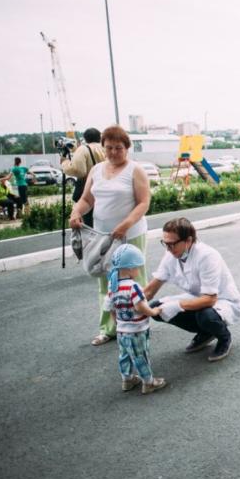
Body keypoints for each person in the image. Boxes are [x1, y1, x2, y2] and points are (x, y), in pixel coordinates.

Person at [69, 125, 150, 346]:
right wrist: (76, 212)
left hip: (130, 234)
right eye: (109, 147)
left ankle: (137, 323)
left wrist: (126, 224)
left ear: (127, 148)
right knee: (106, 283)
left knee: (133, 280)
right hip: (103, 236)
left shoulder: (135, 170)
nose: (113, 152)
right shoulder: (96, 171)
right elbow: (87, 200)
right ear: (103, 147)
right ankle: (109, 329)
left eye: (118, 148)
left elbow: (144, 203)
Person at [144, 218, 240, 362]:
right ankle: (205, 332)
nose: (168, 249)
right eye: (165, 244)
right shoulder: (171, 254)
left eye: (172, 244)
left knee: (205, 316)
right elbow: (150, 290)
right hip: (196, 297)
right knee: (156, 308)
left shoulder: (207, 256)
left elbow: (210, 299)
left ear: (188, 240)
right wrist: (130, 304)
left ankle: (224, 337)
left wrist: (177, 305)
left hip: (222, 301)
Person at [104, 244, 167, 394]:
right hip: (137, 330)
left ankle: (127, 379)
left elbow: (110, 309)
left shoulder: (112, 286)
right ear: (130, 268)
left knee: (124, 355)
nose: (139, 270)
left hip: (121, 331)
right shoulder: (133, 287)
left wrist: (118, 323)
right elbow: (140, 307)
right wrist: (153, 311)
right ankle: (148, 382)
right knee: (140, 356)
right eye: (138, 267)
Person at [61, 127, 105, 227]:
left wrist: (65, 163)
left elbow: (79, 171)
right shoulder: (106, 148)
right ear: (99, 137)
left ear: (85, 138)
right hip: (105, 187)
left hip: (89, 188)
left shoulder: (84, 149)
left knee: (90, 222)